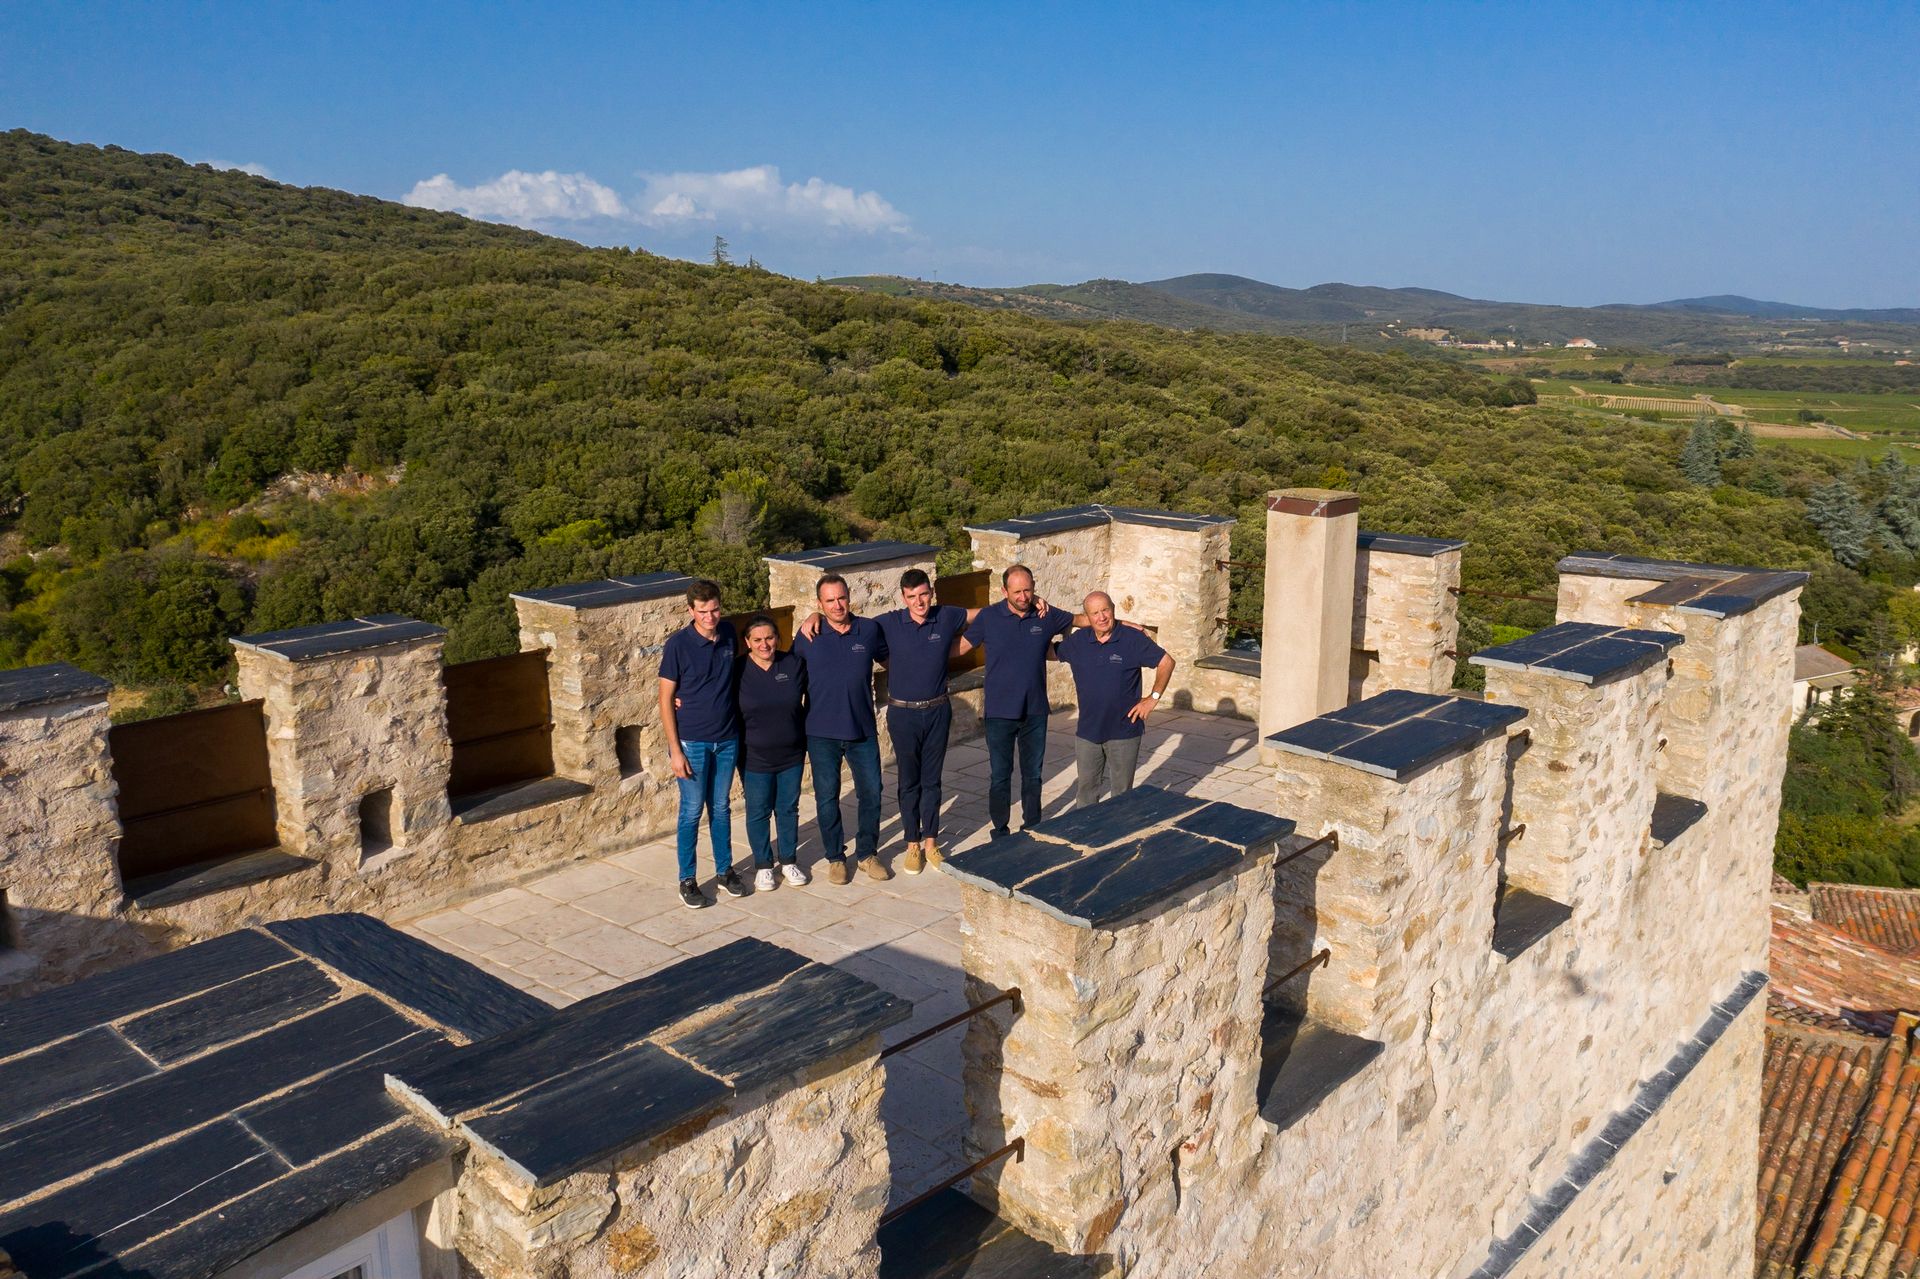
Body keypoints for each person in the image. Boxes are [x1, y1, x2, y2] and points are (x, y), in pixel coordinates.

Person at [952, 565, 1074, 838]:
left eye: (1028, 590)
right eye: (1017, 591)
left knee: (1033, 775)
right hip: (999, 713)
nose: (1023, 596)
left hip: (1035, 710)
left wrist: (1125, 625)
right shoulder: (988, 617)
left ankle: (1033, 826)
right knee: (1000, 776)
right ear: (1004, 591)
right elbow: (960, 648)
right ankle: (1000, 830)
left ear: (1034, 587)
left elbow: (1079, 620)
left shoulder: (1045, 614)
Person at [791, 573, 889, 885]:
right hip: (821, 733)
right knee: (826, 798)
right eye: (829, 601)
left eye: (841, 598)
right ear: (819, 604)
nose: (837, 605)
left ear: (850, 597)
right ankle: (835, 857)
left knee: (872, 793)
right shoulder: (808, 636)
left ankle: (867, 854)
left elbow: (897, 661)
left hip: (862, 730)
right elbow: (786, 675)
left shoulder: (869, 630)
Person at [873, 569, 969, 874]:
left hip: (938, 709)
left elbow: (986, 615)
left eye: (923, 594)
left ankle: (931, 842)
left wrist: (1032, 602)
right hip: (902, 714)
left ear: (932, 593)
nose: (919, 601)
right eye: (912, 596)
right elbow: (848, 625)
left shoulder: (947, 616)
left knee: (932, 780)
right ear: (903, 597)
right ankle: (911, 844)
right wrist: (814, 618)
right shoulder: (888, 623)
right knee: (908, 781)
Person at [658, 579, 745, 909]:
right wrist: (675, 750)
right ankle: (688, 879)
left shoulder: (728, 634)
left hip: (726, 738)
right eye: (704, 611)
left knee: (721, 808)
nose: (711, 616)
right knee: (692, 811)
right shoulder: (678, 645)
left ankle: (725, 871)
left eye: (716, 609)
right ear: (690, 610)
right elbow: (665, 699)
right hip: (691, 742)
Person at [1056, 590, 1175, 806]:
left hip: (1124, 732)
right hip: (1087, 732)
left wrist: (1153, 697)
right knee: (1086, 793)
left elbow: (1167, 662)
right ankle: (1085, 834)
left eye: (1105, 610)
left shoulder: (1132, 639)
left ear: (1113, 610)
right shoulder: (1078, 641)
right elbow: (1046, 651)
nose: (1101, 617)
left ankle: (1117, 836)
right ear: (1087, 618)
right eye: (1095, 613)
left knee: (1121, 795)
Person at [736, 614, 810, 892]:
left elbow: (817, 692)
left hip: (791, 753)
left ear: (778, 638)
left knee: (788, 808)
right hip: (753, 755)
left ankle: (789, 860)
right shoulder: (737, 670)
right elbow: (714, 696)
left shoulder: (792, 664)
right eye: (757, 640)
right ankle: (764, 866)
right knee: (758, 811)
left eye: (769, 638)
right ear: (747, 643)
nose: (764, 644)